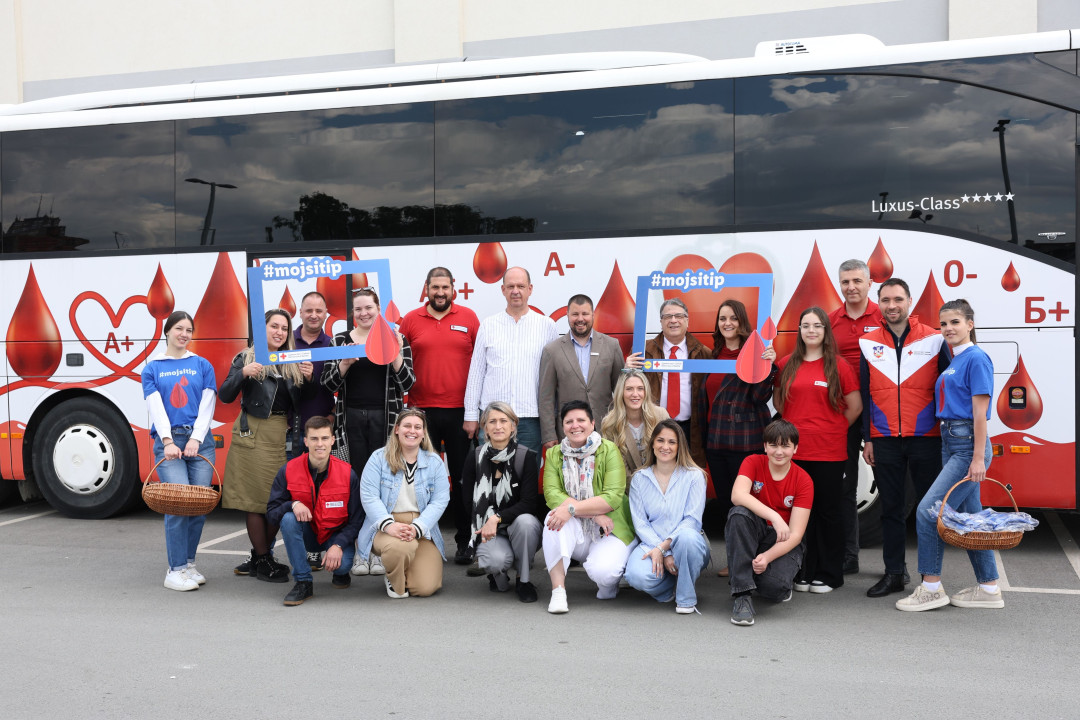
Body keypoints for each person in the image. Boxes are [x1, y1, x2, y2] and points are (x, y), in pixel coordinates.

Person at [897, 299, 1002, 612]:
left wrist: (978, 458)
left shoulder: (976, 358)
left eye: (955, 322)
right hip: (952, 442)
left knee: (930, 512)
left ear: (970, 324)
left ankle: (931, 588)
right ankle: (989, 588)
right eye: (943, 324)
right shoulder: (957, 359)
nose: (948, 328)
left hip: (967, 445)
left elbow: (980, 414)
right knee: (971, 519)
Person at [860, 278, 951, 598]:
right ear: (879, 304)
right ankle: (894, 574)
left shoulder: (934, 339)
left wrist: (948, 431)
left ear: (909, 302)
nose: (892, 305)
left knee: (930, 511)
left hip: (926, 437)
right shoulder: (868, 342)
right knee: (891, 510)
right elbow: (866, 394)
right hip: (884, 438)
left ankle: (930, 579)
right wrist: (869, 438)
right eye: (885, 300)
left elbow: (949, 386)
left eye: (898, 299)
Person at [322, 287, 415, 576]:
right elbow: (328, 384)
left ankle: (378, 550)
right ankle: (360, 552)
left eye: (369, 308)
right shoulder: (340, 340)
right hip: (349, 422)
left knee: (383, 485)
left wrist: (395, 354)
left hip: (386, 423)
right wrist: (345, 364)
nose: (363, 313)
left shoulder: (396, 338)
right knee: (355, 485)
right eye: (358, 309)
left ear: (378, 310)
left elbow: (408, 383)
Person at [773, 306, 861, 593]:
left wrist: (831, 429)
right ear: (799, 330)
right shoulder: (786, 364)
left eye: (817, 325)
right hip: (794, 453)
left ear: (826, 331)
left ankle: (830, 573)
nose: (811, 330)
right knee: (799, 514)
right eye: (806, 325)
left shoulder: (839, 366)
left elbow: (855, 406)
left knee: (827, 512)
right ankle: (803, 571)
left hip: (828, 452)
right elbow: (779, 402)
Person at [398, 267, 480, 566]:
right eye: (435, 287)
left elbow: (480, 366)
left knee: (462, 480)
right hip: (421, 414)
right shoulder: (410, 320)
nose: (441, 292)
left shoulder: (469, 318)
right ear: (427, 289)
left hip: (460, 413)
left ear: (453, 288)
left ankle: (465, 541)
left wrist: (474, 413)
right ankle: (422, 542)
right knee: (421, 482)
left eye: (445, 287)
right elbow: (398, 364)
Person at [219, 308, 303, 583]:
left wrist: (308, 379)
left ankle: (259, 557)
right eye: (274, 326)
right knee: (256, 501)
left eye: (284, 328)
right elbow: (225, 394)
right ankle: (264, 558)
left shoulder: (290, 361)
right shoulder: (245, 357)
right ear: (262, 328)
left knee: (276, 500)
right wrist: (243, 373)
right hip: (252, 431)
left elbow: (300, 403)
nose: (279, 332)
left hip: (280, 434)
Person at [142, 310, 218, 592]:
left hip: (200, 442)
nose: (184, 334)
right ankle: (174, 571)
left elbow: (208, 404)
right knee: (178, 504)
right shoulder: (152, 368)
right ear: (167, 331)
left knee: (198, 507)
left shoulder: (202, 365)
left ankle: (188, 564)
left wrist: (196, 439)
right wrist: (167, 440)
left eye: (188, 330)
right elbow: (156, 407)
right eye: (179, 329)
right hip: (169, 442)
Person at [699, 298, 776, 572]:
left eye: (733, 318)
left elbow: (760, 397)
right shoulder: (713, 356)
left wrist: (768, 367)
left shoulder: (754, 353)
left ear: (742, 322)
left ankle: (755, 560)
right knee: (726, 503)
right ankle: (736, 562)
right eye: (722, 318)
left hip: (745, 442)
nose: (727, 323)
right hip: (716, 442)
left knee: (749, 504)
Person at [542, 400, 634, 613]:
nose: (575, 426)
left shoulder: (609, 450)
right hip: (581, 528)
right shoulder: (554, 454)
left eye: (581, 420)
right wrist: (592, 515)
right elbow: (552, 494)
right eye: (569, 422)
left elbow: (612, 497)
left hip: (610, 528)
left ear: (592, 424)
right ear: (563, 427)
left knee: (604, 574)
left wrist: (573, 509)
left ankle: (610, 583)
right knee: (552, 519)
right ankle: (558, 591)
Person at [266, 416, 364, 606]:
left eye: (324, 438)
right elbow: (272, 513)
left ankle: (340, 572)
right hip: (308, 533)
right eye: (314, 439)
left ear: (332, 440)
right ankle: (303, 581)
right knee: (288, 519)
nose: (320, 444)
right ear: (306, 441)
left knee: (343, 566)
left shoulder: (347, 473)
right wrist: (292, 504)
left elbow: (357, 519)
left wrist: (338, 545)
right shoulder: (288, 470)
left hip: (335, 534)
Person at [463, 267, 558, 456]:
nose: (516, 291)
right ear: (503, 289)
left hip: (530, 419)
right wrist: (471, 415)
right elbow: (476, 373)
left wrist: (551, 420)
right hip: (493, 419)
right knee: (490, 471)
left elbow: (553, 377)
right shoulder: (488, 325)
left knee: (527, 471)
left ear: (530, 289)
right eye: (511, 286)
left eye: (521, 286)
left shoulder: (546, 326)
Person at [726, 420, 813, 626]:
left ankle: (751, 573)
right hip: (756, 531)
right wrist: (775, 517)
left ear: (795, 448)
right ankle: (742, 595)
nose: (779, 452)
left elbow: (796, 535)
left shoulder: (804, 480)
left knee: (773, 588)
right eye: (773, 445)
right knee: (738, 514)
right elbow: (737, 495)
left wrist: (767, 557)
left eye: (785, 446)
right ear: (765, 446)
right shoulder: (752, 462)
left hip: (783, 540)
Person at [828, 259, 883, 575]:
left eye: (857, 281)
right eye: (845, 281)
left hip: (880, 414)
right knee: (845, 488)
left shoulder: (883, 316)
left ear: (869, 284)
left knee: (891, 488)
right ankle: (849, 556)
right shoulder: (831, 321)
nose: (851, 287)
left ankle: (896, 567)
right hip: (845, 414)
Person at [357, 409, 450, 598]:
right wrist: (388, 525)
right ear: (397, 429)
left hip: (420, 526)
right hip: (385, 525)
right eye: (407, 426)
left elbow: (440, 500)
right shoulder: (378, 458)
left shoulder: (434, 462)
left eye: (418, 427)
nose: (412, 431)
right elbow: (369, 496)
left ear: (423, 433)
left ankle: (402, 566)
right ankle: (394, 576)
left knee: (425, 588)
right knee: (401, 548)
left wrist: (418, 527)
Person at [624, 420, 710, 614]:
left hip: (688, 545)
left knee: (687, 538)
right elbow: (641, 524)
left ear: (680, 446)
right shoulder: (639, 478)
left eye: (672, 442)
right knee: (635, 576)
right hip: (652, 543)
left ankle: (686, 599)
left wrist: (665, 548)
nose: (665, 446)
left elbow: (692, 521)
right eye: (660, 440)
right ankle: (669, 586)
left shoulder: (694, 476)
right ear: (652, 444)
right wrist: (663, 553)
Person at [462, 401, 544, 603]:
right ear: (485, 428)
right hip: (487, 530)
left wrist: (497, 518)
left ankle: (523, 580)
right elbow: (467, 502)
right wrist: (486, 524)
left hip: (517, 527)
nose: (498, 426)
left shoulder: (525, 456)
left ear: (513, 426)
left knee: (527, 522)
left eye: (503, 421)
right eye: (492, 422)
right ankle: (497, 575)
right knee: (496, 562)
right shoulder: (475, 456)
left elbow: (529, 503)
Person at [626, 297, 709, 466]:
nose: (673, 320)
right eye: (667, 316)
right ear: (661, 321)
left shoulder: (703, 353)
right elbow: (628, 386)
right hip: (653, 426)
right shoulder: (643, 352)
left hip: (690, 429)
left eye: (679, 316)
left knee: (687, 474)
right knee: (653, 471)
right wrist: (627, 369)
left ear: (687, 320)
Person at [539, 294, 625, 453]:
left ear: (593, 315)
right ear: (567, 315)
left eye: (585, 314)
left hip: (605, 428)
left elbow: (621, 390)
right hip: (569, 431)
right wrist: (549, 434)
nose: (580, 319)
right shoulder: (552, 350)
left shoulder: (611, 345)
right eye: (575, 314)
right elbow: (546, 397)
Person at [291, 291, 336, 571]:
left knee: (323, 493)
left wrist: (333, 416)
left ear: (326, 313)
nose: (314, 315)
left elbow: (340, 385)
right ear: (300, 313)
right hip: (292, 430)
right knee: (299, 493)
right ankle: (307, 550)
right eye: (309, 310)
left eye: (319, 310)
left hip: (321, 434)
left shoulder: (332, 344)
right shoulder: (286, 342)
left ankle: (322, 547)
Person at [600, 369, 669, 478]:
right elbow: (617, 468)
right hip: (627, 483)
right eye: (629, 389)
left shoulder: (661, 415)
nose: (635, 394)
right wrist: (638, 486)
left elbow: (670, 455)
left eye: (640, 389)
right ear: (621, 393)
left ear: (646, 392)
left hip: (661, 480)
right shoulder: (610, 423)